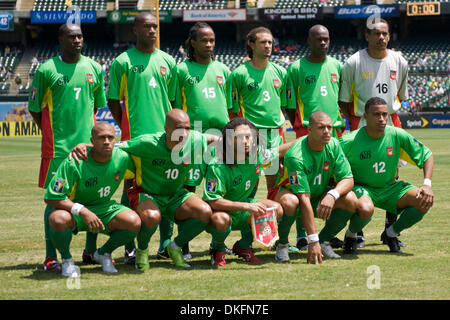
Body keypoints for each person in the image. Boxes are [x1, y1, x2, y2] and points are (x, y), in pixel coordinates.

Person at [71, 109, 216, 269]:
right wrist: (85, 145)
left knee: (204, 212)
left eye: (188, 128)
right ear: (166, 129)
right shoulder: (147, 143)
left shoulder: (193, 140)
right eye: (179, 128)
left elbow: (214, 138)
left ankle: (174, 247)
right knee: (152, 216)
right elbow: (112, 146)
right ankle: (142, 250)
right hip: (147, 194)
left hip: (175, 195)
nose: (184, 133)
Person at [28, 23, 106, 273]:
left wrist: (86, 139)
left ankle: (91, 251)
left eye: (80, 36)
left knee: (92, 197)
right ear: (61, 39)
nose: (77, 40)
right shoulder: (46, 70)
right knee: (54, 202)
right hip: (59, 151)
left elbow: (95, 107)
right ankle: (51, 255)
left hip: (89, 148)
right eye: (72, 36)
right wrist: (54, 136)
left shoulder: (94, 67)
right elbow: (35, 108)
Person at [106, 12, 178, 264]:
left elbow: (174, 103)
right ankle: (129, 246)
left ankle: (166, 245)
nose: (152, 30)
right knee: (131, 188)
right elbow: (113, 101)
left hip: (165, 140)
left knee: (167, 188)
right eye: (146, 26)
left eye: (154, 26)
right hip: (135, 139)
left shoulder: (168, 61)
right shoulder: (122, 62)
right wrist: (125, 128)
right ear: (135, 30)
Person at [339, 18, 409, 247]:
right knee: (359, 177)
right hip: (361, 124)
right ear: (366, 36)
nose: (381, 38)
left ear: (389, 36)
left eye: (385, 34)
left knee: (393, 177)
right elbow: (344, 102)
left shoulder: (400, 61)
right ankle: (356, 233)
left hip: (391, 123)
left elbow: (400, 96)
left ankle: (390, 231)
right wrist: (359, 124)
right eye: (376, 34)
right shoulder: (353, 62)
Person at [44, 123, 140, 277]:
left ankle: (103, 254)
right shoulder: (74, 161)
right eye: (101, 138)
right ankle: (67, 260)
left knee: (134, 222)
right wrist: (82, 211)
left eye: (110, 137)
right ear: (92, 141)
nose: (107, 141)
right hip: (76, 211)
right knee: (58, 218)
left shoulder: (123, 157)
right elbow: (52, 197)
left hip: (105, 208)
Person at [340, 97, 434, 253]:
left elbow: (427, 155)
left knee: (424, 199)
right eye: (376, 114)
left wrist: (427, 184)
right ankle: (351, 235)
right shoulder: (349, 140)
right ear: (366, 116)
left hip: (390, 187)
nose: (382, 119)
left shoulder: (397, 134)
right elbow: (328, 155)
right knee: (366, 208)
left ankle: (391, 233)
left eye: (385, 114)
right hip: (363, 187)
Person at [204, 118, 299, 266]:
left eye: (248, 137)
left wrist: (308, 139)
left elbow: (281, 150)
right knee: (221, 220)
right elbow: (213, 201)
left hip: (243, 209)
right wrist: (246, 207)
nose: (245, 141)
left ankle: (243, 246)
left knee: (276, 209)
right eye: (239, 137)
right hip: (221, 212)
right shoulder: (218, 165)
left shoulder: (256, 155)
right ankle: (218, 248)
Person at [284, 24, 346, 252]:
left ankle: (328, 234)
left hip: (335, 131)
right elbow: (289, 105)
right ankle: (302, 236)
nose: (323, 43)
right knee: (305, 185)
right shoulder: (296, 68)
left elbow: (343, 99)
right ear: (308, 41)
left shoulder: (337, 66)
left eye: (326, 39)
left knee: (330, 183)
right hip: (306, 130)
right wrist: (301, 126)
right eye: (318, 39)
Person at [174, 22, 231, 258]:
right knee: (187, 189)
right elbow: (175, 106)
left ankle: (218, 242)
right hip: (192, 136)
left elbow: (228, 105)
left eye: (212, 40)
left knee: (223, 188)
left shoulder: (223, 70)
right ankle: (182, 243)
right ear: (193, 43)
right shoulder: (182, 70)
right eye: (204, 40)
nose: (209, 45)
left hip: (220, 135)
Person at [272, 111, 359, 263]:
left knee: (351, 199)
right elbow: (303, 198)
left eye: (329, 127)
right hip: (294, 196)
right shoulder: (296, 155)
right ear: (309, 129)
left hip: (318, 196)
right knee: (290, 202)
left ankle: (325, 241)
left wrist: (333, 194)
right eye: (321, 127)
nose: (326, 131)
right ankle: (282, 245)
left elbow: (348, 178)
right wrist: (312, 240)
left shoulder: (333, 144)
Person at [229, 26, 287, 198]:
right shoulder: (239, 74)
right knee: (249, 185)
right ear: (251, 44)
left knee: (274, 184)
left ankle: (271, 221)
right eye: (263, 42)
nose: (268, 46)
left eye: (270, 42)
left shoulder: (281, 72)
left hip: (274, 135)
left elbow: (282, 106)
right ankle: (247, 219)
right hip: (250, 136)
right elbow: (231, 110)